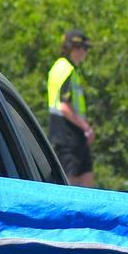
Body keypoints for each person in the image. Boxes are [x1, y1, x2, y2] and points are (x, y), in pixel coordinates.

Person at [46, 29, 98, 187]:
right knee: (70, 184)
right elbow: (64, 106)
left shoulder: (61, 67)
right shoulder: (66, 70)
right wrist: (86, 128)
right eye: (85, 48)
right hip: (68, 135)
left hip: (70, 135)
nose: (86, 53)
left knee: (86, 177)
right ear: (75, 48)